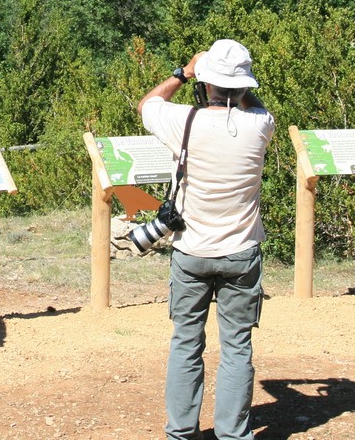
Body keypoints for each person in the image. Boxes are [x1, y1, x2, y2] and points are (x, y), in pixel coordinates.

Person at [138, 38, 275, 440]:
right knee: (236, 347)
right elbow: (252, 104)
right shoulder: (260, 124)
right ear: (245, 85)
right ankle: (233, 434)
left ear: (207, 83)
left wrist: (184, 72)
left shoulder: (184, 120)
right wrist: (231, 81)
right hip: (241, 251)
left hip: (191, 250)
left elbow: (147, 104)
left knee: (185, 343)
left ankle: (181, 432)